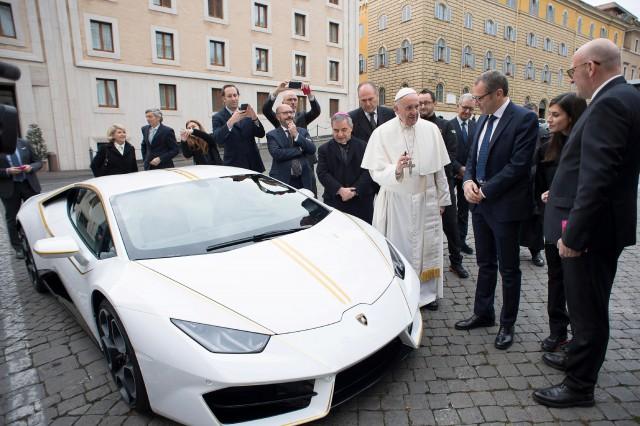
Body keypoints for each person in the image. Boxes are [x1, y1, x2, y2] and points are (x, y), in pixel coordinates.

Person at [533, 39, 640, 408]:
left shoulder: (609, 103)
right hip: (602, 228)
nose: (572, 78)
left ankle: (579, 385)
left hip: (590, 233)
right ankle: (577, 358)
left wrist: (574, 235)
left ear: (590, 68)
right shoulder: (626, 98)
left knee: (587, 310)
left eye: (572, 71)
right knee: (586, 306)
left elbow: (598, 178)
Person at [454, 71, 538, 350]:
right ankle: (484, 313)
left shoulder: (523, 119)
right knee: (485, 263)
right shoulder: (482, 119)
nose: (476, 103)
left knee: (509, 268)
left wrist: (485, 189)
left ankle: (507, 324)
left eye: (480, 98)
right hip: (479, 206)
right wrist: (467, 182)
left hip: (504, 207)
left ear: (498, 93)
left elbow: (519, 165)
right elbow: (471, 156)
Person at [362, 87, 450, 310]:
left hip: (426, 200)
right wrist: (396, 169)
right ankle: (403, 292)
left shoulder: (431, 130)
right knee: (401, 249)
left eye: (417, 106)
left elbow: (439, 170)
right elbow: (375, 171)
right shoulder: (382, 133)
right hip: (397, 202)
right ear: (396, 109)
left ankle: (427, 294)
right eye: (409, 107)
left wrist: (443, 199)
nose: (414, 111)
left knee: (426, 247)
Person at [534, 93, 587, 353]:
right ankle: (558, 331)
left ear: (571, 117)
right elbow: (540, 183)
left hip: (577, 224)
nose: (549, 119)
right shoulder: (546, 146)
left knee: (576, 283)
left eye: (556, 114)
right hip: (553, 223)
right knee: (555, 279)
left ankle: (580, 338)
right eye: (549, 114)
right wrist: (545, 194)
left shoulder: (586, 146)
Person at [420, 89, 469, 280]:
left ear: (434, 104)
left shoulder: (445, 126)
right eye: (420, 103)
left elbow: (450, 156)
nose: (423, 106)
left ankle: (456, 262)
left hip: (442, 184)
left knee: (451, 225)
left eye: (426, 103)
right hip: (421, 186)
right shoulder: (413, 126)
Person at [262, 81, 321, 195]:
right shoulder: (279, 117)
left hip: (305, 161)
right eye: (290, 99)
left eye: (295, 99)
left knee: (310, 191)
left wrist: (309, 94)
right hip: (286, 165)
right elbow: (266, 110)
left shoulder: (302, 116)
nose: (293, 102)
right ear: (283, 102)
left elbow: (316, 111)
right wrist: (277, 91)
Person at [317, 112, 375, 223]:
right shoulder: (324, 149)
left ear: (351, 128)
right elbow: (322, 173)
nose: (340, 134)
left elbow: (368, 171)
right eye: (336, 130)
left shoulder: (363, 146)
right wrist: (340, 190)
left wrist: (354, 191)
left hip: (361, 201)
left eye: (344, 130)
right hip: (335, 200)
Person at [444, 94, 476, 255]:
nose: (467, 111)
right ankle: (453, 243)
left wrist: (467, 171)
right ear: (458, 106)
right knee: (450, 211)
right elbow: (446, 152)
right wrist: (458, 168)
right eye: (464, 107)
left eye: (470, 108)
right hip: (451, 174)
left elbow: (474, 153)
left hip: (467, 176)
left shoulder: (475, 127)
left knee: (463, 211)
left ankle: (462, 241)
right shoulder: (448, 126)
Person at [0, 138, 42, 259]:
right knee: (12, 219)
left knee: (35, 215)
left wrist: (31, 167)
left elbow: (38, 162)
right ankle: (18, 248)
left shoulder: (23, 143)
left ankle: (38, 242)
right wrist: (7, 171)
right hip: (9, 188)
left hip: (29, 185)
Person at [212, 84, 265, 172]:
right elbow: (218, 139)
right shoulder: (218, 117)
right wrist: (231, 122)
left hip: (254, 164)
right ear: (224, 99)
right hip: (234, 165)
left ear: (238, 96)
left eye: (235, 95)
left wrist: (255, 118)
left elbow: (261, 134)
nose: (233, 98)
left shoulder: (247, 112)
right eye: (229, 96)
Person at [520, 102, 547, 267]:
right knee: (517, 219)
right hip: (520, 184)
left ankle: (535, 251)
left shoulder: (544, 134)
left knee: (536, 222)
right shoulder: (518, 132)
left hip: (537, 184)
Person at [266, 104, 316, 190]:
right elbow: (277, 154)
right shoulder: (272, 135)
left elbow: (312, 149)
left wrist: (296, 135)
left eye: (291, 112)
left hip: (304, 179)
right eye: (285, 113)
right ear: (278, 117)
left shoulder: (302, 132)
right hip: (283, 179)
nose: (289, 115)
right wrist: (300, 150)